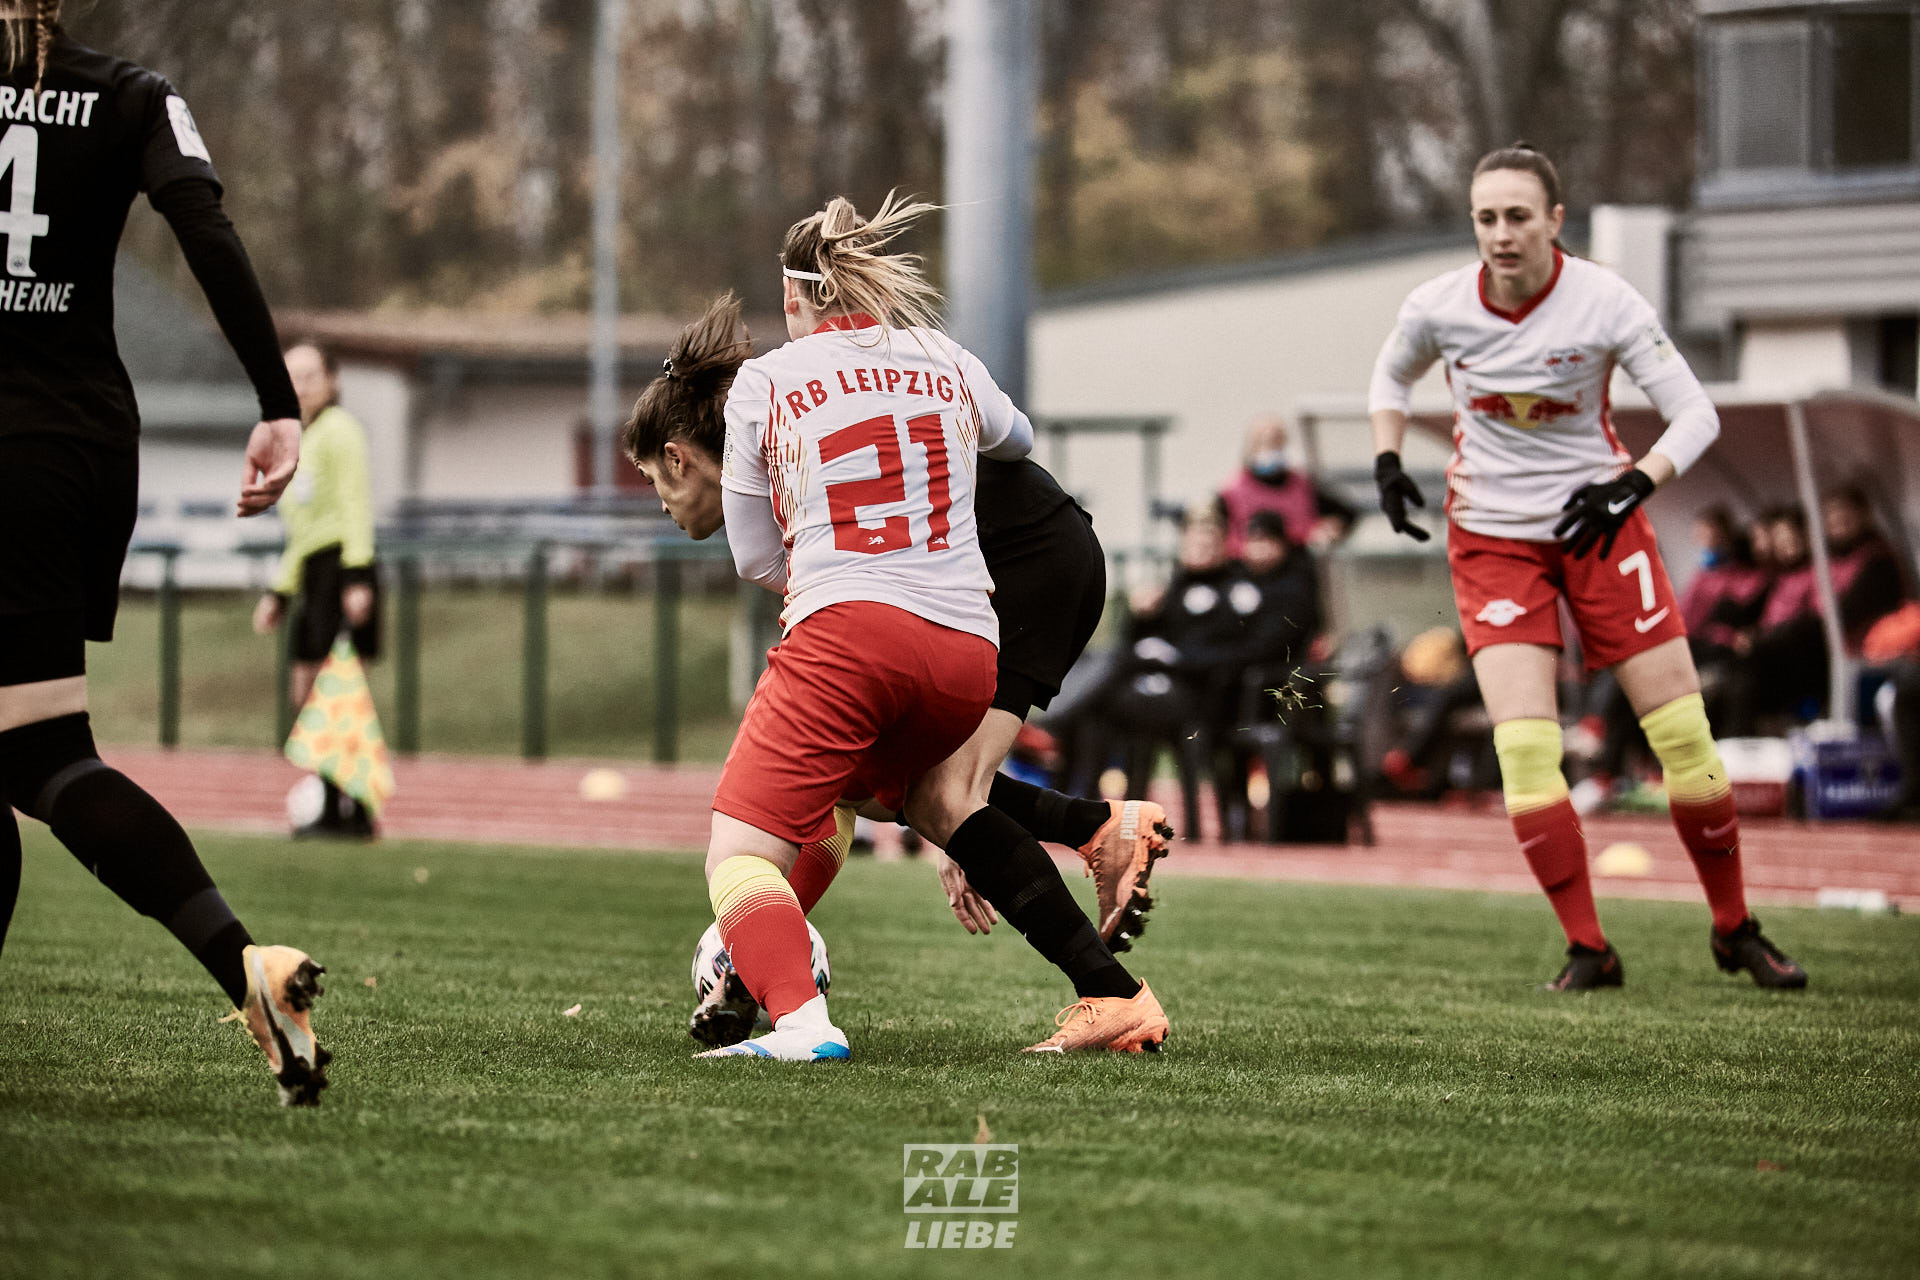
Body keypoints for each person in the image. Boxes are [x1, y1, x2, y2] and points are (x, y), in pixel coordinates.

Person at [623, 194, 1169, 1059]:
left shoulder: (771, 381)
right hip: (965, 638)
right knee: (911, 795)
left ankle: (799, 1019)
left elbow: (757, 558)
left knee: (739, 857)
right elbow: (1016, 439)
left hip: (877, 620)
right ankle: (1109, 965)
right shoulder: (941, 353)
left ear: (799, 301)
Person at [1367, 142, 1807, 991]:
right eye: (1487, 217)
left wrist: (1632, 484)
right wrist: (1388, 459)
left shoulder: (1604, 299)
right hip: (1493, 540)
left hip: (1600, 531)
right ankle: (1587, 947)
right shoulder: (1439, 305)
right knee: (1527, 751)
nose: (1502, 233)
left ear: (1555, 221)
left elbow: (1694, 414)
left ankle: (1734, 927)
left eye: (1519, 216)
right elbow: (1391, 373)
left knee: (1683, 737)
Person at [0, 5, 329, 1104]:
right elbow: (203, 224)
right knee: (32, 746)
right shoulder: (133, 92)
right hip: (85, 446)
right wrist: (276, 402)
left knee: (34, 753)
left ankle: (239, 957)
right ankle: (246, 965)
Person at [252, 339, 380, 837]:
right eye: (292, 378)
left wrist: (358, 578)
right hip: (311, 574)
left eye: (310, 376)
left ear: (333, 382)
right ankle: (336, 802)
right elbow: (300, 530)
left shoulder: (341, 431)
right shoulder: (298, 439)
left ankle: (349, 810)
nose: (301, 387)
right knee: (306, 695)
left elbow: (354, 507)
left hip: (341, 571)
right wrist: (280, 593)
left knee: (338, 696)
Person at [1216, 414, 1355, 556]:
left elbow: (1345, 513)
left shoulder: (1302, 485)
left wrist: (1330, 527)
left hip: (1297, 563)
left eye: (1275, 441)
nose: (1269, 448)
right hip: (1247, 568)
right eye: (1262, 441)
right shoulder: (1232, 491)